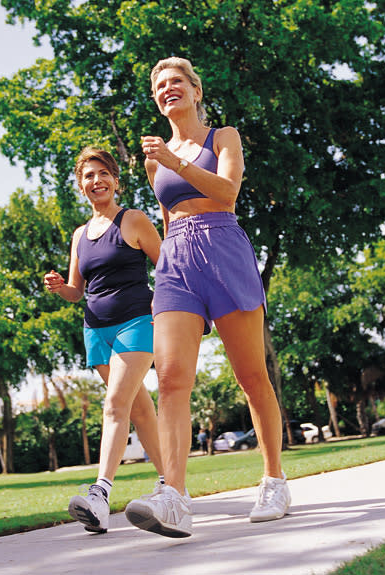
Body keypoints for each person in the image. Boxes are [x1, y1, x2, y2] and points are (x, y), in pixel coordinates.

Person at [125, 57, 291, 538]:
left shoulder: (224, 137)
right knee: (173, 377)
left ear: (196, 91)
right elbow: (167, 219)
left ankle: (274, 480)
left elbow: (228, 193)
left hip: (224, 248)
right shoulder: (154, 158)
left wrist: (176, 160)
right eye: (159, 85)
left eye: (176, 81)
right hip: (177, 262)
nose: (167, 88)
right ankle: (173, 496)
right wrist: (163, 270)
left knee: (251, 375)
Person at [44, 147, 164, 534]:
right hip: (95, 329)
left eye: (102, 174)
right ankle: (171, 484)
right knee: (138, 410)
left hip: (136, 322)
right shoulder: (80, 235)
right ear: (81, 186)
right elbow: (78, 291)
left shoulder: (133, 220)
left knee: (115, 404)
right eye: (88, 177)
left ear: (115, 180)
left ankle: (100, 495)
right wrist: (60, 288)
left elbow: (167, 266)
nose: (96, 182)